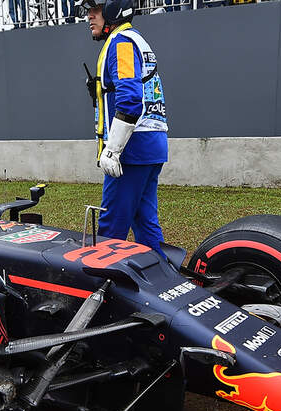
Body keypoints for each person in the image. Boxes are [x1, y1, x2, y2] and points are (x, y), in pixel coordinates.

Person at [81, 0, 169, 254]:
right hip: (149, 144)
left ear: (112, 11)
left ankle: (103, 288)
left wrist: (113, 150)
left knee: (110, 229)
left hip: (132, 149)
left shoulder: (122, 43)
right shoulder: (134, 40)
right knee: (145, 224)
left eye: (94, 11)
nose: (89, 17)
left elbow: (130, 100)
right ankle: (161, 279)